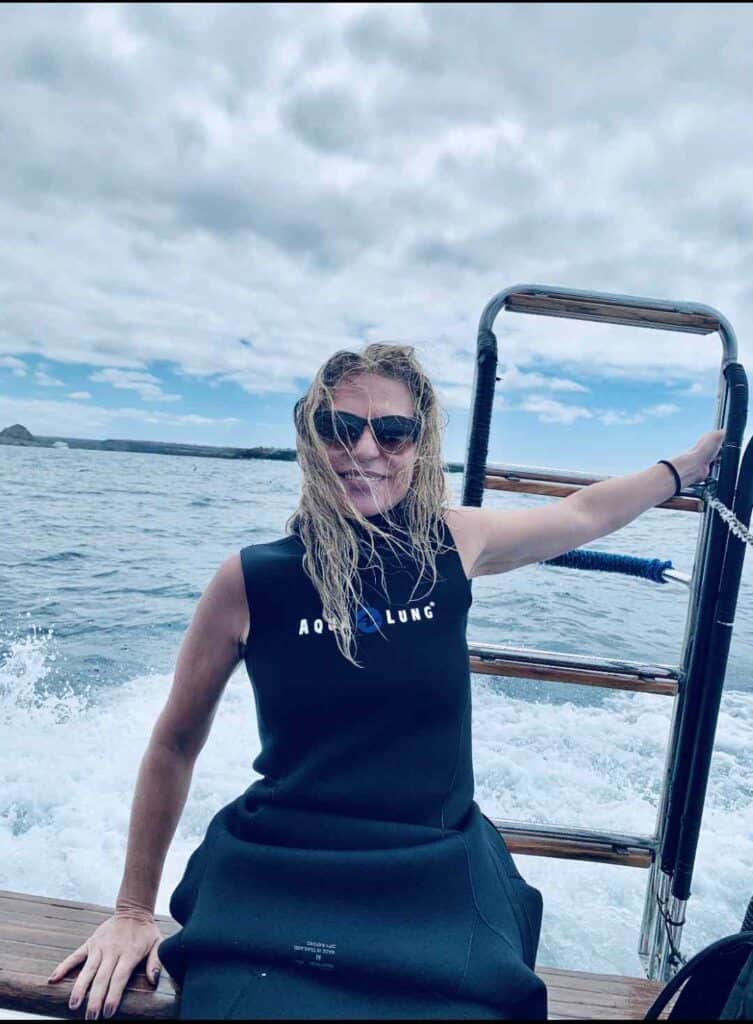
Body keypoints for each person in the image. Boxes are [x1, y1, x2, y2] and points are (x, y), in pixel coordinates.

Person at [47, 343, 725, 1020]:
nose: (365, 449)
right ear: (312, 438)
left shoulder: (454, 543)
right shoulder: (250, 580)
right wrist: (133, 910)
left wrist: (680, 470)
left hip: (431, 869)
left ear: (418, 441)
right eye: (341, 427)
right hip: (283, 867)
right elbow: (173, 743)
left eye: (391, 430)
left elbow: (582, 514)